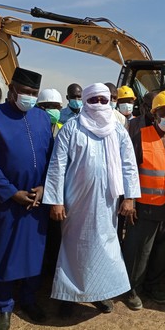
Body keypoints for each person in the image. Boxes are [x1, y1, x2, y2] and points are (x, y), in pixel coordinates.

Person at [43, 82, 140, 316]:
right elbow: (58, 166)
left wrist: (130, 198)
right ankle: (70, 296)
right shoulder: (71, 128)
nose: (98, 104)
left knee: (105, 247)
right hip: (75, 202)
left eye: (102, 100)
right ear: (85, 101)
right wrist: (56, 200)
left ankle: (100, 294)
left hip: (107, 202)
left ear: (109, 101)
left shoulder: (118, 131)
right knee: (74, 247)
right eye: (93, 100)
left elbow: (129, 165)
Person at [0, 67, 53, 330]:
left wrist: (42, 187)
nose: (29, 97)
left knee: (33, 253)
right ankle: (4, 306)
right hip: (4, 201)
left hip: (36, 201)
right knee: (3, 253)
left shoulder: (41, 117)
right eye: (25, 92)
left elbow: (51, 157)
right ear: (12, 89)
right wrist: (11, 192)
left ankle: (28, 299)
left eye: (34, 93)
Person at [123, 91, 165, 310]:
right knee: (139, 250)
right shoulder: (141, 136)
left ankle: (153, 285)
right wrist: (130, 200)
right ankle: (131, 289)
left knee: (162, 252)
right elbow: (129, 171)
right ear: (155, 114)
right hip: (144, 205)